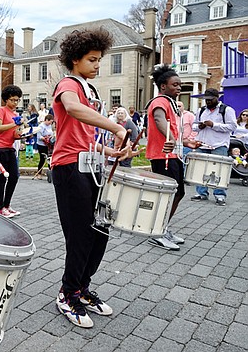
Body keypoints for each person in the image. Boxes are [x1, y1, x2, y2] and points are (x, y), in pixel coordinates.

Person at [51, 28, 134, 328]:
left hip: (90, 164)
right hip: (68, 167)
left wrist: (108, 152)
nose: (98, 65)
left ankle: (81, 287)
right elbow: (72, 110)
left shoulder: (90, 88)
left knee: (99, 232)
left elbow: (84, 136)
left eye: (100, 59)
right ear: (75, 60)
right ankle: (67, 293)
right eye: (92, 59)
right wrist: (115, 128)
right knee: (80, 235)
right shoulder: (68, 84)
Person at [145, 65, 200, 250]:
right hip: (162, 156)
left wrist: (185, 143)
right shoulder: (159, 101)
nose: (178, 87)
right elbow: (159, 120)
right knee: (167, 195)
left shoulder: (171, 103)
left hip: (172, 153)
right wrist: (170, 138)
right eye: (174, 84)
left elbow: (171, 130)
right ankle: (157, 232)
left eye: (180, 85)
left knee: (178, 193)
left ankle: (162, 227)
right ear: (163, 86)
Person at [190, 88, 237, 206]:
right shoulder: (201, 110)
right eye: (206, 100)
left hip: (219, 144)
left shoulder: (226, 110)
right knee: (200, 169)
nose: (208, 102)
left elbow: (232, 127)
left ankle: (220, 194)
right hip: (202, 143)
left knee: (219, 170)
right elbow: (193, 126)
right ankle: (201, 193)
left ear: (217, 98)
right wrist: (199, 127)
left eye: (211, 99)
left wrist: (214, 125)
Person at [0, 85, 24, 218]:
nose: (15, 103)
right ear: (6, 100)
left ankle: (7, 205)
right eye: (12, 100)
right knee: (2, 177)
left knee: (14, 176)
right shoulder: (2, 110)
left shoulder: (15, 114)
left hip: (10, 146)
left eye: (17, 100)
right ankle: (1, 208)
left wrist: (22, 134)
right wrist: (14, 124)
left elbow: (14, 134)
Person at [33, 114, 54, 180]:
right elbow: (39, 137)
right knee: (42, 159)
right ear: (46, 120)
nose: (50, 124)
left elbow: (51, 133)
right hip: (41, 145)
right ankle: (39, 174)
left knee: (49, 159)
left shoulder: (49, 126)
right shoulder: (41, 126)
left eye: (51, 123)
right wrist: (45, 138)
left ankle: (51, 172)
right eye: (49, 122)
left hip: (49, 145)